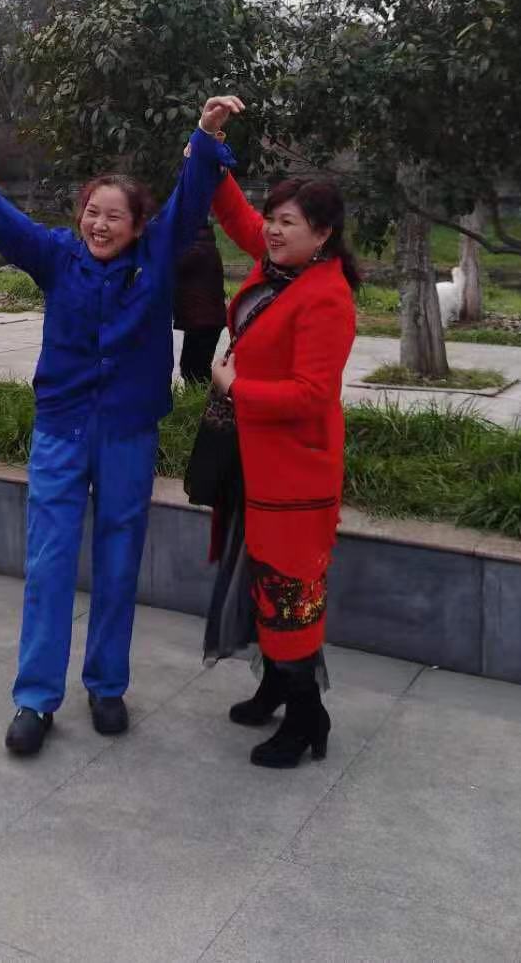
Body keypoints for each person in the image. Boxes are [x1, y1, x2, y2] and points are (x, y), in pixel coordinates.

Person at [0, 97, 243, 757]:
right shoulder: (57, 255)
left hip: (129, 432)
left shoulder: (157, 254)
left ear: (138, 225)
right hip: (61, 429)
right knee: (50, 561)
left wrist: (204, 135)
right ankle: (35, 697)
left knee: (119, 558)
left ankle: (107, 685)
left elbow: (192, 195)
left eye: (114, 215)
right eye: (92, 211)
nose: (99, 223)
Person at [204, 172, 359, 768]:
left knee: (289, 591)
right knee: (257, 579)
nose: (271, 229)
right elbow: (235, 214)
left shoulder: (326, 296)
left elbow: (312, 395)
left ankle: (306, 716)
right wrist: (208, 146)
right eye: (271, 217)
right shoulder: (279, 265)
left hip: (294, 473)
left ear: (322, 234)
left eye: (286, 221)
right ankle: (273, 686)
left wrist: (236, 387)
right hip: (252, 460)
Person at [174, 220, 227, 384]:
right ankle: (204, 396)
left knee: (194, 370)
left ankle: (206, 398)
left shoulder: (197, 247)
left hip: (204, 321)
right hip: (204, 320)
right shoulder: (204, 244)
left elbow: (173, 265)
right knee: (192, 367)